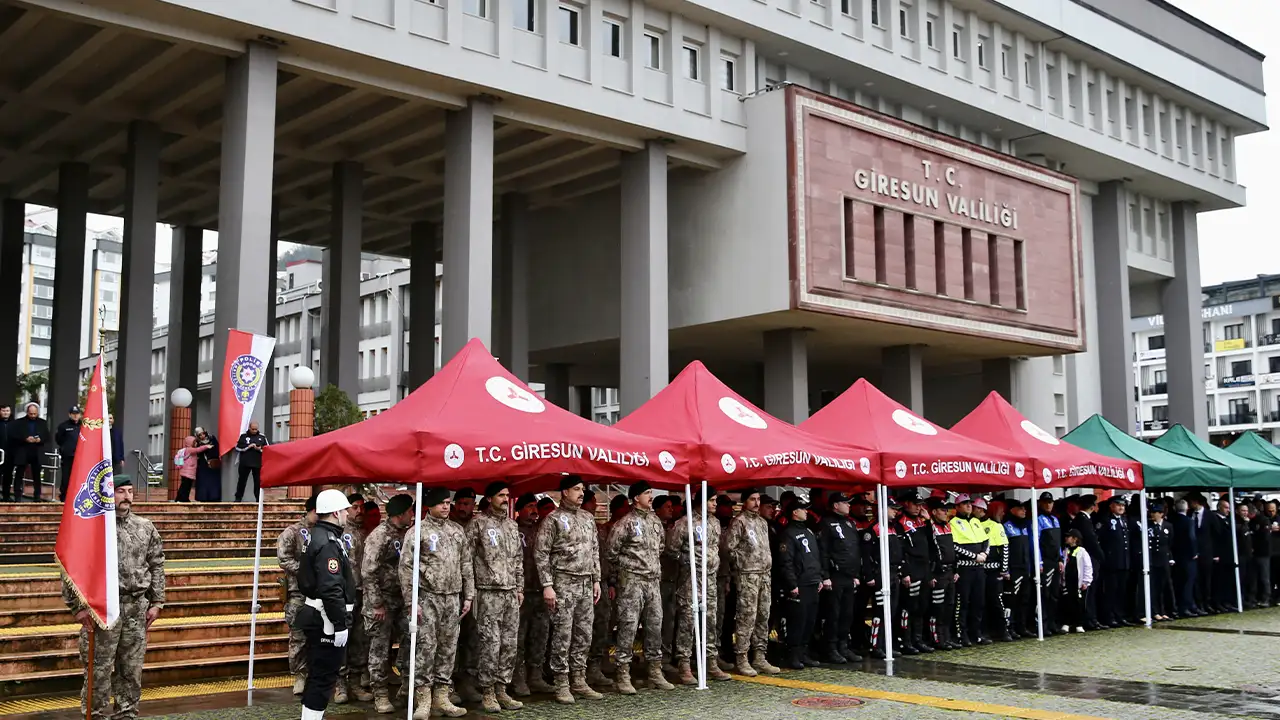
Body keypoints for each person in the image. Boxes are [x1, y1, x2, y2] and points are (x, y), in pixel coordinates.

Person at [64, 476, 165, 720]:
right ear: (108, 494)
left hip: (135, 608)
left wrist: (157, 602)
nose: (127, 496)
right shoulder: (93, 528)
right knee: (98, 669)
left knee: (130, 669)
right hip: (102, 608)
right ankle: (95, 714)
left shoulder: (144, 526)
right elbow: (70, 566)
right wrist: (77, 607)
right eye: (120, 491)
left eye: (130, 491)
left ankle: (127, 714)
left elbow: (157, 564)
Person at [398, 487, 472, 719]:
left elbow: (466, 565)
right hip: (427, 598)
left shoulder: (457, 531)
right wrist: (412, 601)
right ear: (430, 505)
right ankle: (423, 700)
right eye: (441, 503)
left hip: (452, 598)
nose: (446, 507)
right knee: (426, 649)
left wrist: (468, 596)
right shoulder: (417, 531)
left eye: (448, 502)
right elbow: (406, 568)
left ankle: (442, 696)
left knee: (448, 649)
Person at [534, 476, 603, 704]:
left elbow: (594, 550)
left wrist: (596, 579)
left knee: (584, 634)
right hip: (563, 582)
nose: (581, 493)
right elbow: (541, 553)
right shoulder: (553, 519)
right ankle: (562, 683)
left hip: (585, 582)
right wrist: (547, 585)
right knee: (563, 635)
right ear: (564, 492)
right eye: (576, 489)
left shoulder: (587, 518)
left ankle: (579, 679)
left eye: (583, 489)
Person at [605, 481, 674, 695]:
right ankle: (623, 674)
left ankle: (654, 670)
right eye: (646, 493)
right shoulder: (624, 523)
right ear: (635, 498)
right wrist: (621, 575)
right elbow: (611, 552)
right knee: (628, 627)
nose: (651, 496)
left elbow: (660, 547)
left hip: (653, 581)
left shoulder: (655, 521)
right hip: (631, 581)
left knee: (654, 626)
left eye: (651, 492)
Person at [297, 489, 357, 720]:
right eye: (344, 510)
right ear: (335, 512)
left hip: (322, 614)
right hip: (326, 618)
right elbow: (331, 587)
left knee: (319, 674)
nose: (347, 514)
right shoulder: (328, 542)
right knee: (323, 676)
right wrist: (339, 623)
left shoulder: (319, 535)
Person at [465, 481, 525, 712]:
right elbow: (467, 560)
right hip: (487, 592)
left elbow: (518, 559)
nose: (504, 499)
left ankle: (502, 689)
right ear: (489, 498)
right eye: (500, 495)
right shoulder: (477, 524)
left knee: (509, 644)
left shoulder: (512, 526)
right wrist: (471, 592)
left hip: (510, 593)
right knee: (490, 644)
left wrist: (519, 587)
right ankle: (487, 691)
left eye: (507, 495)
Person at [667, 485, 733, 683]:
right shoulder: (685, 522)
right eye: (712, 501)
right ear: (701, 502)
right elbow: (671, 548)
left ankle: (710, 661)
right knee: (688, 621)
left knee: (711, 620)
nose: (715, 504)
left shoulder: (713, 522)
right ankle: (684, 664)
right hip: (691, 580)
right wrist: (685, 559)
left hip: (711, 578)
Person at [362, 493, 414, 713]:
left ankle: (406, 688)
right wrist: (376, 604)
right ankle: (380, 693)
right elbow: (368, 572)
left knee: (411, 641)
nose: (413, 514)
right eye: (410, 511)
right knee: (379, 649)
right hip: (382, 599)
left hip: (404, 599)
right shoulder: (379, 536)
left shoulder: (410, 534)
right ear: (400, 514)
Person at [725, 488, 780, 676]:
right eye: (752, 499)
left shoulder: (763, 523)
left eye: (758, 499)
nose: (756, 503)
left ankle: (760, 656)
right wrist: (741, 566)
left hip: (764, 575)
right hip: (748, 575)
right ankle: (742, 657)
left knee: (763, 616)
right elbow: (728, 549)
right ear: (744, 502)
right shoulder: (739, 522)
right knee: (746, 617)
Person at [511, 493, 554, 697]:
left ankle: (535, 676)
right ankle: (518, 678)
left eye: (535, 506)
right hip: (521, 593)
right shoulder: (513, 530)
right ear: (519, 509)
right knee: (519, 637)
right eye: (529, 506)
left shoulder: (543, 530)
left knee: (540, 635)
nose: (534, 510)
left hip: (541, 591)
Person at [776, 496, 826, 669]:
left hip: (812, 582)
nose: (807, 512)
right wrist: (792, 584)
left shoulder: (809, 531)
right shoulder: (788, 534)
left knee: (810, 620)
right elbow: (786, 561)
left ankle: (804, 653)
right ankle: (793, 654)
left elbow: (815, 556)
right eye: (803, 509)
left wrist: (819, 577)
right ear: (795, 512)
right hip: (800, 584)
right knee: (798, 621)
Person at [278, 496, 319, 694]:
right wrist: (305, 571)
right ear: (310, 511)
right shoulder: (292, 532)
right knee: (299, 637)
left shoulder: (324, 532)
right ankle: (300, 675)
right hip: (298, 593)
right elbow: (284, 558)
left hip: (321, 594)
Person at [335, 494, 372, 705]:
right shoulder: (339, 533)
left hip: (363, 592)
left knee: (360, 639)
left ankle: (356, 682)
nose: (360, 511)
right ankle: (340, 684)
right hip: (344, 594)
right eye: (355, 507)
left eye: (362, 508)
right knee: (342, 638)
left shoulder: (366, 533)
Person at [817, 492, 861, 664]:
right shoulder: (826, 523)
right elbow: (823, 551)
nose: (849, 505)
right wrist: (826, 575)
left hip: (849, 576)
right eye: (845, 503)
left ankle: (843, 646)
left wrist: (856, 574)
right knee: (833, 614)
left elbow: (854, 550)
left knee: (847, 613)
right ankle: (830, 648)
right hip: (835, 576)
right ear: (836, 505)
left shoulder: (849, 523)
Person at [894, 492, 931, 655]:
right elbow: (900, 549)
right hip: (911, 569)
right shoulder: (899, 522)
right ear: (906, 503)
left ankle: (918, 639)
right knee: (909, 607)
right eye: (915, 504)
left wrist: (928, 520)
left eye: (920, 504)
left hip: (924, 569)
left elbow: (931, 541)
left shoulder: (920, 521)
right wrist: (905, 572)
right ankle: (905, 641)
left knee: (922, 607)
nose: (918, 507)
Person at [950, 494, 989, 646]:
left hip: (979, 567)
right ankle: (961, 634)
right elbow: (954, 546)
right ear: (957, 507)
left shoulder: (975, 521)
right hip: (965, 567)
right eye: (964, 504)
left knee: (978, 602)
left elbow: (986, 540)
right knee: (963, 603)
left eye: (969, 504)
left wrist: (985, 553)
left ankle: (976, 633)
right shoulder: (953, 523)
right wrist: (974, 556)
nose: (968, 506)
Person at [927, 497, 959, 649]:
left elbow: (952, 548)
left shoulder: (947, 527)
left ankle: (947, 637)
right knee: (938, 607)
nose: (945, 513)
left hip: (950, 572)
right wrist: (932, 573)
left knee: (949, 606)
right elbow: (931, 550)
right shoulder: (931, 527)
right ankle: (937, 638)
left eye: (947, 510)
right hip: (938, 573)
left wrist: (956, 569)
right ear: (934, 512)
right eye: (942, 510)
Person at [1001, 501, 1033, 638]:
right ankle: (1010, 627)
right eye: (1020, 509)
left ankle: (1022, 626)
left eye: (1024, 509)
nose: (1024, 511)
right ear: (1013, 510)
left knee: (1024, 598)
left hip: (1025, 567)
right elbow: (1004, 548)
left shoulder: (1026, 526)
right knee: (1012, 599)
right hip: (1013, 568)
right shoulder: (1007, 526)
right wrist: (1006, 569)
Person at [1141, 502, 1175, 622]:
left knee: (1164, 586)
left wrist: (1170, 557)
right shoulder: (1148, 526)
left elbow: (1170, 543)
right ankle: (1155, 611)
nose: (1152, 515)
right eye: (1152, 512)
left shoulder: (1168, 526)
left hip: (1164, 559)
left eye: (1155, 513)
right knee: (1154, 586)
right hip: (1153, 560)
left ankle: (1164, 610)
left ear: (1161, 514)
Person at [1035, 492, 1063, 634]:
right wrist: (1039, 561)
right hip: (1045, 561)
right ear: (1040, 503)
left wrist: (1060, 558)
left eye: (1050, 502)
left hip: (1054, 561)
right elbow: (1037, 542)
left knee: (1054, 593)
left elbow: (1057, 542)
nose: (1048, 505)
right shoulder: (1038, 519)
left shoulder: (1055, 519)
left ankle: (1053, 623)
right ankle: (1044, 624)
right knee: (1045, 593)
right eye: (1045, 502)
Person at [12, 402, 50, 501]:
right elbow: (13, 436)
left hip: (36, 451)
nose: (33, 416)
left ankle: (37, 496)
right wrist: (25, 438)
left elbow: (47, 436)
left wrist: (40, 439)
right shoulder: (19, 422)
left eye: (35, 414)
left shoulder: (42, 422)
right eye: (31, 414)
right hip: (23, 451)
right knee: (19, 474)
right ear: (27, 412)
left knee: (37, 475)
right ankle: (17, 495)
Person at [1061, 529, 1093, 634]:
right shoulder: (1065, 551)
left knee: (1078, 603)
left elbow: (1088, 566)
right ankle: (1066, 623)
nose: (1066, 538)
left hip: (1077, 582)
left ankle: (1079, 623)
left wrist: (1086, 581)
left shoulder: (1082, 551)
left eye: (1069, 536)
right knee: (1066, 602)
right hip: (1068, 581)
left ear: (1075, 539)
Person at [233, 421, 269, 502]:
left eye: (256, 429)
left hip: (257, 463)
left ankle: (258, 499)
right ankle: (238, 498)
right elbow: (237, 448)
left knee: (257, 482)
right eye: (253, 429)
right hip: (245, 463)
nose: (254, 431)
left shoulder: (262, 437)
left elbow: (267, 449)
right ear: (249, 428)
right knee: (242, 481)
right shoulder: (243, 436)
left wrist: (259, 449)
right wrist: (248, 447)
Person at [54, 405, 82, 502]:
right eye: (73, 414)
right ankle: (64, 497)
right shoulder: (63, 426)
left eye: (77, 414)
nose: (75, 416)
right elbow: (59, 440)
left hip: (81, 457)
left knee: (80, 478)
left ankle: (78, 497)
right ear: (69, 415)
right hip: (68, 456)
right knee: (66, 478)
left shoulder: (84, 425)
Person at [1248, 500, 1273, 609]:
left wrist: (1255, 547)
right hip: (1253, 554)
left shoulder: (1263, 520)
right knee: (1253, 577)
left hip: (1263, 553)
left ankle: (1265, 598)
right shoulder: (1250, 521)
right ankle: (1254, 598)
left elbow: (1265, 538)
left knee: (1264, 577)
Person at [192, 427, 221, 502]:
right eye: (199, 435)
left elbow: (217, 449)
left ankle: (214, 497)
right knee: (203, 482)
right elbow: (196, 452)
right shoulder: (196, 443)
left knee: (213, 482)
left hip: (213, 464)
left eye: (203, 434)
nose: (202, 436)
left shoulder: (212, 439)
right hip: (202, 465)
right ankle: (203, 497)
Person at [0, 404, 13, 502]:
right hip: (0, 453)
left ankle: (6, 495)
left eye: (7, 411)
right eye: (3, 411)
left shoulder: (14, 424)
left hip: (10, 453)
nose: (5, 413)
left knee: (8, 476)